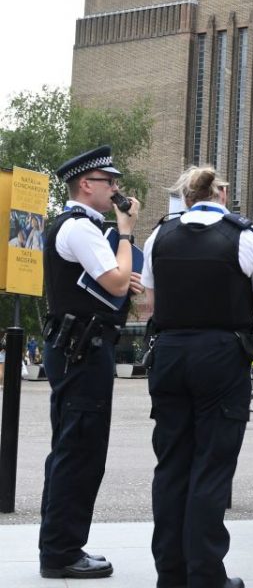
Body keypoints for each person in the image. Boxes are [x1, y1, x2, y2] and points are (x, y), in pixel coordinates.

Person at [141, 165, 253, 588]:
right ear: (221, 194)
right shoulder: (244, 235)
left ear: (186, 197)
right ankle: (205, 574)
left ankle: (171, 572)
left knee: (171, 465)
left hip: (168, 353)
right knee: (211, 466)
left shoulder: (158, 236)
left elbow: (150, 304)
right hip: (220, 354)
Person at [38, 145, 142, 579]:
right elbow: (117, 283)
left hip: (77, 348)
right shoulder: (80, 227)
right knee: (79, 450)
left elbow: (112, 283)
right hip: (82, 350)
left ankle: (62, 544)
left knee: (72, 448)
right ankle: (62, 551)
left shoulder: (78, 226)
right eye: (109, 182)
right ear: (87, 184)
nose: (116, 190)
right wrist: (126, 232)